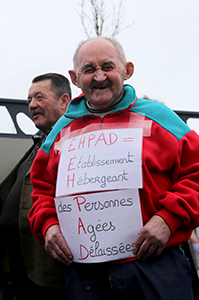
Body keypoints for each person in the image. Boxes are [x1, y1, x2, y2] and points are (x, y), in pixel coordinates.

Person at [28, 38, 199, 300]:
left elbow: (195, 173)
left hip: (156, 267)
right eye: (88, 69)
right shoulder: (58, 134)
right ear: (75, 78)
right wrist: (49, 226)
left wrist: (168, 219)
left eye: (107, 66)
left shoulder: (161, 118)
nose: (99, 77)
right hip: (85, 275)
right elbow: (41, 192)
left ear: (127, 70)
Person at [0, 73, 71, 300]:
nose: (32, 105)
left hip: (49, 269)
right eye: (29, 99)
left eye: (39, 97)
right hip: (20, 263)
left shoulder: (75, 140)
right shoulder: (39, 143)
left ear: (64, 101)